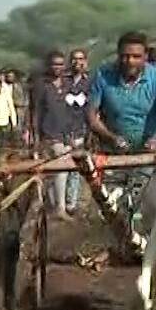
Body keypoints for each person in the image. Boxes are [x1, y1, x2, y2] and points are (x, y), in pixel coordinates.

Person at [88, 31, 156, 154]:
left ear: (145, 56)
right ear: (118, 55)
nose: (130, 61)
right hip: (112, 153)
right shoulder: (102, 76)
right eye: (125, 56)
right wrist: (112, 138)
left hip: (148, 153)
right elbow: (92, 118)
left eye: (136, 56)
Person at [31, 51, 80, 221]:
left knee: (58, 171)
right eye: (54, 64)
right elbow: (36, 111)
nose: (57, 67)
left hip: (66, 132)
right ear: (48, 66)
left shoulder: (68, 84)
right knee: (59, 170)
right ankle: (58, 208)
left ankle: (54, 206)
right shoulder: (41, 85)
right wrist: (34, 134)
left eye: (60, 64)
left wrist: (73, 132)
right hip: (49, 132)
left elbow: (74, 110)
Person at [65, 49, 90, 214]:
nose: (77, 62)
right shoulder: (63, 83)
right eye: (74, 59)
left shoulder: (90, 83)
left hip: (81, 130)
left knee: (75, 168)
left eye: (81, 59)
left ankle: (71, 202)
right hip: (61, 131)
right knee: (59, 168)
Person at [0, 80, 17, 156]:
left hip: (4, 122)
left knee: (3, 142)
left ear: (1, 87)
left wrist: (14, 122)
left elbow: (11, 109)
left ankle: (2, 158)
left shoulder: (7, 96)